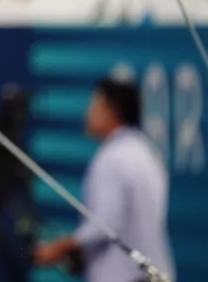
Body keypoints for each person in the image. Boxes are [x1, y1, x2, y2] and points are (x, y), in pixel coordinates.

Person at [34, 78, 175, 282]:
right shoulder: (148, 151)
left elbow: (105, 224)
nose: (87, 114)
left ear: (111, 110)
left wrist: (60, 247)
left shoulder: (111, 158)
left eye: (94, 105)